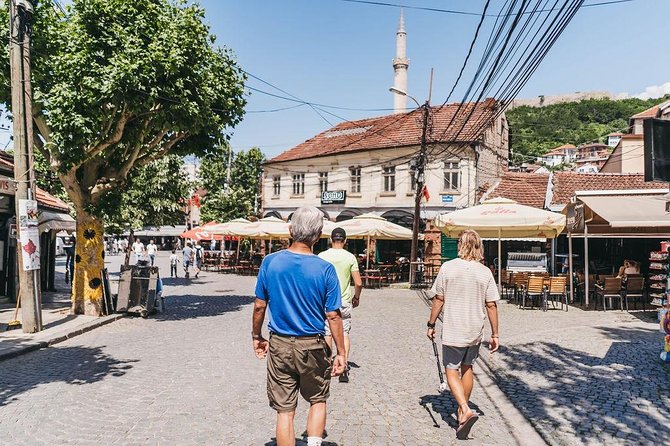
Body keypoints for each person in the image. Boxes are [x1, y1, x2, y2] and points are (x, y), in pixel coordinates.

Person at [252, 206, 346, 446]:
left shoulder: (270, 262)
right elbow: (333, 316)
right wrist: (341, 352)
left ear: (291, 229)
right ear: (318, 235)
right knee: (317, 399)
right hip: (313, 344)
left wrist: (256, 335)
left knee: (285, 410)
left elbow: (260, 306)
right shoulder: (325, 269)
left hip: (280, 343)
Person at [426, 229, 500, 440]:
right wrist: (496, 334)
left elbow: (438, 299)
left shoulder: (448, 268)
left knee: (451, 370)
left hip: (454, 328)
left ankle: (465, 409)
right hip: (475, 329)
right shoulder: (485, 272)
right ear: (479, 247)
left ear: (461, 245)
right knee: (468, 368)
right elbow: (492, 305)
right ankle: (461, 414)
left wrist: (431, 323)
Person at [318, 227, 363, 383]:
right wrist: (356, 297)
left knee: (327, 332)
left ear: (330, 240)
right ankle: (343, 365)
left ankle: (327, 365)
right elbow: (358, 282)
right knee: (344, 333)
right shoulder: (350, 257)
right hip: (344, 300)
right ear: (345, 241)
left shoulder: (321, 256)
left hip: (325, 300)